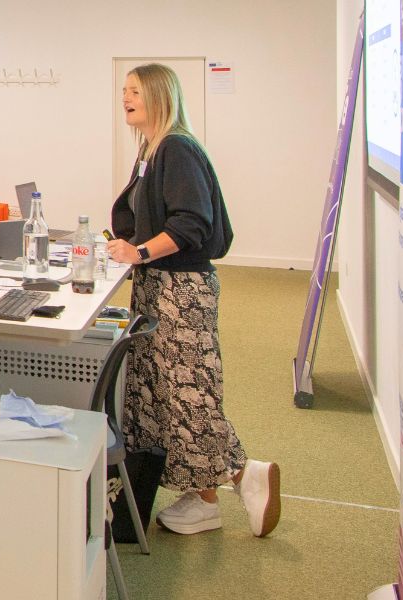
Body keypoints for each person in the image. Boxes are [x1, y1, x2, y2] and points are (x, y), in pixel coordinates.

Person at [107, 63, 278, 537]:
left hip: (181, 291)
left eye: (135, 91)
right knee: (162, 395)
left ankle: (245, 474)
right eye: (124, 90)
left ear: (160, 95)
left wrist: (138, 251)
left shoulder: (176, 149)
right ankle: (203, 499)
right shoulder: (151, 149)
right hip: (158, 287)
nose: (126, 98)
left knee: (189, 396)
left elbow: (191, 224)